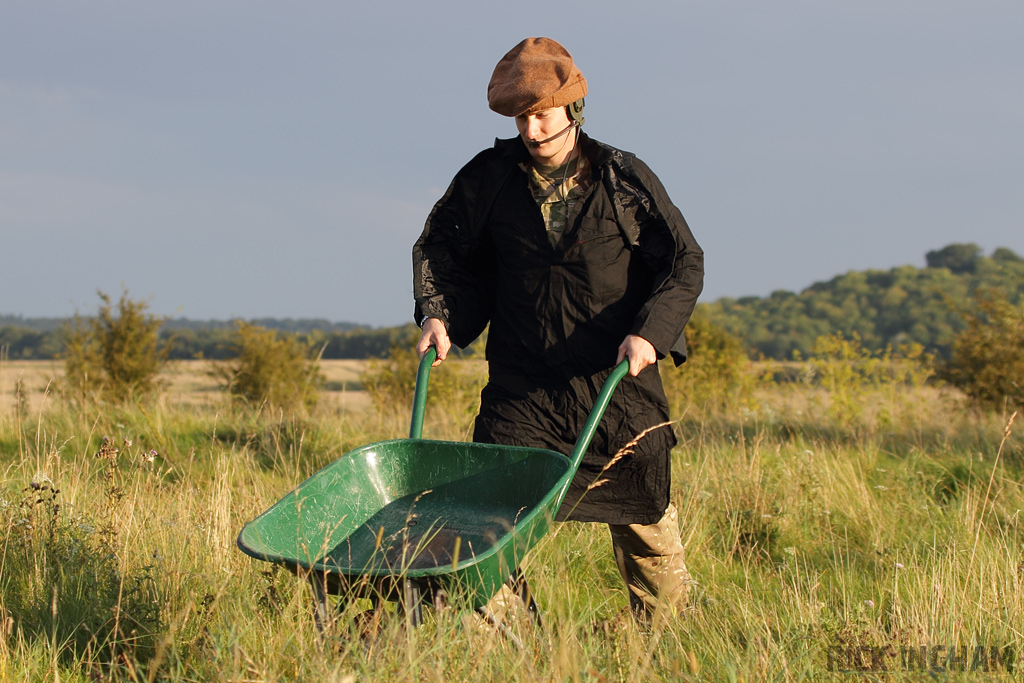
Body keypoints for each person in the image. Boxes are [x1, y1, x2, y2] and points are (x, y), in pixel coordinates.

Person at [412, 37, 703, 619]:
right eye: (521, 117)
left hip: (615, 385)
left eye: (541, 114)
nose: (532, 130)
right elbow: (442, 249)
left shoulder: (622, 179)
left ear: (572, 109)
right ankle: (518, 650)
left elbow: (683, 261)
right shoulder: (487, 179)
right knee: (482, 527)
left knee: (645, 521)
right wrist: (439, 315)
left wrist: (651, 333)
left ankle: (670, 645)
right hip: (522, 389)